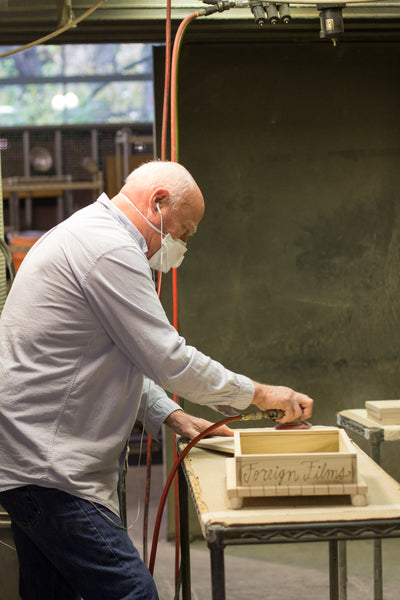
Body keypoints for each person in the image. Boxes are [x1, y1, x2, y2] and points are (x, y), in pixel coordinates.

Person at [0, 160, 313, 600]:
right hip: (53, 473)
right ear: (159, 202)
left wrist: (175, 416)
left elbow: (118, 356)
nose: (182, 244)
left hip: (32, 467)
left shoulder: (88, 234)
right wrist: (261, 394)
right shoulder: (107, 248)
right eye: (184, 232)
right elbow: (169, 359)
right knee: (134, 592)